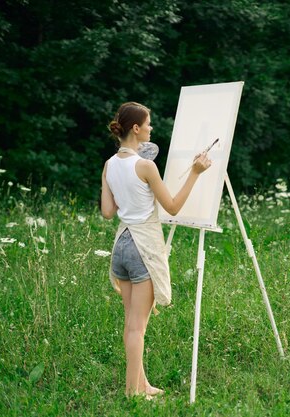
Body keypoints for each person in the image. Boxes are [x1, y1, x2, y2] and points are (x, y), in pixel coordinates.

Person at [100, 102, 211, 398]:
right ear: (136, 129)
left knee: (131, 324)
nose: (151, 128)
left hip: (121, 245)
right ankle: (132, 392)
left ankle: (141, 383)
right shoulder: (145, 166)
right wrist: (196, 172)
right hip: (143, 247)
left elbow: (108, 211)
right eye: (148, 124)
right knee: (137, 328)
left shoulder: (110, 164)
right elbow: (172, 207)